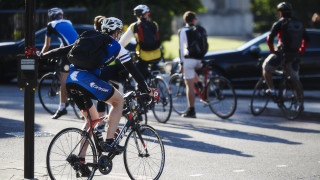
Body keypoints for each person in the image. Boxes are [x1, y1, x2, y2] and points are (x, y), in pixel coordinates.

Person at [28, 17, 153, 176]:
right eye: (119, 32)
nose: (118, 35)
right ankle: (108, 143)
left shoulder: (88, 39)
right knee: (119, 100)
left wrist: (40, 55)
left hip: (72, 81)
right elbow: (133, 71)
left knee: (91, 121)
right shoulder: (114, 45)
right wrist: (147, 89)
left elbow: (63, 50)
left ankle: (80, 160)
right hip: (87, 81)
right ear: (116, 32)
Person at [262, 2, 309, 110]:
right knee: (295, 79)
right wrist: (301, 51)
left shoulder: (279, 23)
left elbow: (269, 39)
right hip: (295, 56)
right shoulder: (299, 23)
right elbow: (307, 39)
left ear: (280, 13)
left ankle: (272, 90)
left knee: (266, 67)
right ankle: (301, 103)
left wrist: (272, 51)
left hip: (282, 55)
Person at [41, 7, 79, 119]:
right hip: (79, 50)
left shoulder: (51, 25)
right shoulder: (68, 22)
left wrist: (41, 56)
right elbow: (65, 41)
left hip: (69, 54)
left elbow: (46, 45)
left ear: (51, 16)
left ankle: (62, 107)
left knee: (63, 83)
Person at [119, 4, 162, 80]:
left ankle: (141, 90)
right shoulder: (154, 24)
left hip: (143, 57)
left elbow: (122, 43)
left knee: (138, 76)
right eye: (148, 14)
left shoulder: (134, 26)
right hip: (157, 56)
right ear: (146, 14)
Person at [178, 11, 208, 118]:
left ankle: (191, 110)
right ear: (194, 20)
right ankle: (200, 84)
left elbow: (181, 48)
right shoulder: (199, 30)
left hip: (189, 60)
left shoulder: (183, 31)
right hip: (200, 60)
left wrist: (181, 63)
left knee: (189, 85)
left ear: (185, 20)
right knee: (192, 71)